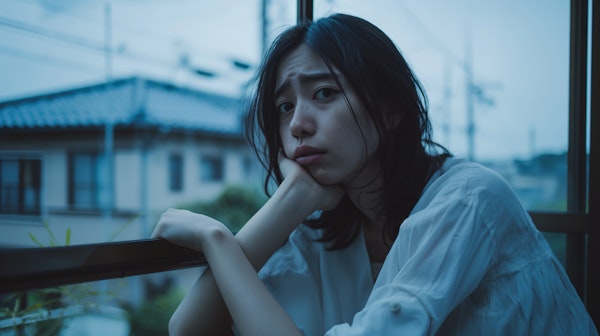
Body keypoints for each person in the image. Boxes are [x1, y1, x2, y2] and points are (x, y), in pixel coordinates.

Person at [152, 13, 598, 335]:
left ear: (390, 109)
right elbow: (188, 327)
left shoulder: (468, 199)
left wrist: (218, 241)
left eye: (323, 93)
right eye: (284, 106)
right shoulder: (324, 226)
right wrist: (294, 198)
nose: (296, 124)